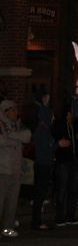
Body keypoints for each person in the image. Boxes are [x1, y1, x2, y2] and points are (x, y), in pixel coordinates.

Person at [0, 99, 32, 237]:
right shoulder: (0, 124)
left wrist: (11, 136)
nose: (16, 113)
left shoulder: (17, 125)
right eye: (13, 110)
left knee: (12, 200)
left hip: (16, 168)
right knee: (1, 200)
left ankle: (7, 227)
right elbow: (1, 141)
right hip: (3, 169)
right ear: (5, 112)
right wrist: (15, 139)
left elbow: (27, 136)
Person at [52, 105, 78, 226]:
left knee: (73, 190)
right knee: (63, 189)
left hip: (74, 161)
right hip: (64, 161)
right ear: (66, 114)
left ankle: (70, 216)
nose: (73, 116)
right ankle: (60, 217)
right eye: (71, 114)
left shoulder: (74, 127)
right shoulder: (60, 126)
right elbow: (56, 139)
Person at [31, 90, 58, 230]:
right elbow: (46, 149)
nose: (53, 118)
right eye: (52, 116)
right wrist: (57, 145)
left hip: (45, 163)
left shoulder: (45, 129)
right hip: (42, 164)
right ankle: (36, 221)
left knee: (41, 194)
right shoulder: (42, 131)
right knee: (39, 194)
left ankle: (37, 220)